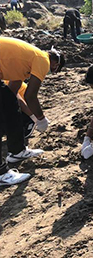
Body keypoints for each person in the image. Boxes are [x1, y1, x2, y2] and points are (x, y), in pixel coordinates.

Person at [0, 37, 65, 185]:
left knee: (9, 105)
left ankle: (17, 151)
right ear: (55, 63)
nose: (52, 72)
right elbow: (30, 95)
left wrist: (32, 117)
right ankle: (1, 174)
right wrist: (41, 118)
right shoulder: (43, 59)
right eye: (55, 69)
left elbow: (12, 94)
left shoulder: (25, 64)